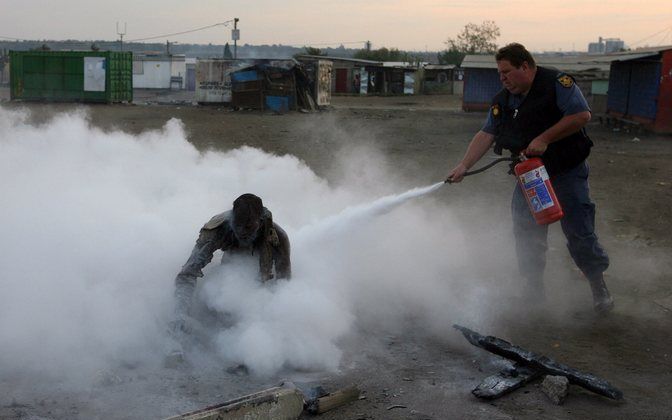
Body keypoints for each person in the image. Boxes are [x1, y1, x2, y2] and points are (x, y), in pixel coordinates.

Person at [447, 43, 613, 314]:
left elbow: (582, 115)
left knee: (579, 231)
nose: (503, 79)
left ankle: (598, 287)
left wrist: (545, 138)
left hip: (566, 171)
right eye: (500, 74)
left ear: (525, 66)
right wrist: (464, 165)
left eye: (507, 72)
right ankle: (533, 292)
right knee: (526, 232)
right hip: (532, 176)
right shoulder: (503, 100)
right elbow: (487, 133)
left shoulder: (556, 83)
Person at [170, 193, 291, 347]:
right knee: (210, 316)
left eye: (248, 226)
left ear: (260, 222)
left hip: (259, 292)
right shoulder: (216, 231)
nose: (242, 231)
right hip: (225, 289)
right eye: (238, 225)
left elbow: (283, 288)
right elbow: (187, 274)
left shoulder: (277, 237)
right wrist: (179, 314)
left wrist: (273, 325)